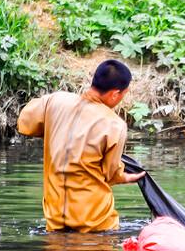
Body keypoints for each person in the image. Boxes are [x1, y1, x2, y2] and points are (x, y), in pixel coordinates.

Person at [17, 59, 147, 232]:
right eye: (123, 94)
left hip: (55, 221)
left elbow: (24, 122)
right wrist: (126, 177)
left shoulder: (55, 101)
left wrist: (54, 130)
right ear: (115, 94)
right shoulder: (114, 125)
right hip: (95, 223)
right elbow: (111, 174)